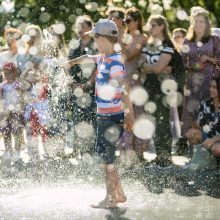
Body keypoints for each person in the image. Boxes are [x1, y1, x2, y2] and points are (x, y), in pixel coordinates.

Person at [63, 19, 134, 208]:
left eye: (96, 38)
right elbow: (88, 58)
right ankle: (118, 194)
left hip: (112, 117)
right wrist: (71, 63)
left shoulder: (116, 61)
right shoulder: (102, 57)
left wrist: (129, 114)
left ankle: (110, 199)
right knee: (106, 157)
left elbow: (125, 87)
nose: (95, 42)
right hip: (104, 116)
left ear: (102, 38)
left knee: (106, 159)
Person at [139, 15, 182, 167]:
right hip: (150, 87)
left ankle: (166, 157)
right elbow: (142, 65)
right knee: (154, 122)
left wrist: (153, 68)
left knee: (163, 121)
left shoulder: (167, 44)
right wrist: (157, 68)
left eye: (153, 25)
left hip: (164, 89)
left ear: (162, 26)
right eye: (149, 25)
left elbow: (155, 69)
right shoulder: (149, 45)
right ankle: (158, 155)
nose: (150, 28)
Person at [180, 7, 220, 153]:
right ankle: (192, 153)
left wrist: (209, 59)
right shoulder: (187, 40)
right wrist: (196, 64)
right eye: (196, 21)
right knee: (192, 116)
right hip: (193, 83)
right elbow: (182, 61)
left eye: (201, 21)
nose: (198, 24)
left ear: (206, 23)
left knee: (207, 116)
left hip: (210, 82)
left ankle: (209, 151)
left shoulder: (214, 40)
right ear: (192, 23)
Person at [117, 7, 149, 162]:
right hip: (121, 81)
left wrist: (117, 38)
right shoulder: (122, 37)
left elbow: (128, 55)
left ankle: (139, 152)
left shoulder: (142, 38)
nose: (125, 23)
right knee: (123, 117)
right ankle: (125, 151)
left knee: (136, 115)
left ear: (137, 22)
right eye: (124, 21)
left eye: (128, 21)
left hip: (134, 82)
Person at [67, 15, 97, 156]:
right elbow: (68, 65)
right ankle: (79, 150)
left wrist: (89, 83)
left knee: (91, 119)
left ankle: (91, 151)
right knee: (78, 119)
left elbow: (99, 66)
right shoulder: (74, 45)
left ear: (90, 28)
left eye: (83, 27)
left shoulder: (96, 44)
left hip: (93, 89)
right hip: (76, 89)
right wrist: (73, 83)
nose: (80, 30)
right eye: (78, 27)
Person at [185, 76, 220, 169]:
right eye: (210, 86)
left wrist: (213, 140)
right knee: (192, 134)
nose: (211, 89)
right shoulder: (206, 103)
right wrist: (193, 130)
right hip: (209, 135)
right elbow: (200, 124)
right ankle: (205, 161)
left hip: (217, 139)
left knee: (217, 149)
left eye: (215, 87)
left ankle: (216, 163)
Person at [0, 62, 25, 161]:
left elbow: (21, 99)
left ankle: (17, 152)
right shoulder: (2, 86)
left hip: (16, 112)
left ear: (14, 73)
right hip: (5, 113)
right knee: (6, 133)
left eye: (9, 73)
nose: (7, 75)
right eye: (5, 73)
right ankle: (8, 150)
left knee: (17, 132)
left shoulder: (17, 84)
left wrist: (20, 109)